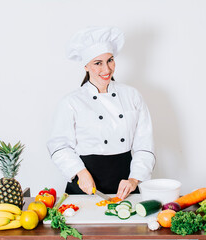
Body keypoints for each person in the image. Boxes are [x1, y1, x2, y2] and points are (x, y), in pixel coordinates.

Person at [47, 26, 155, 200]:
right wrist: (79, 172)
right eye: (98, 63)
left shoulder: (132, 96)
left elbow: (144, 145)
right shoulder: (71, 102)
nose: (107, 69)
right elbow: (59, 146)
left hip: (125, 183)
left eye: (110, 60)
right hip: (85, 184)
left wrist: (134, 180)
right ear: (86, 66)